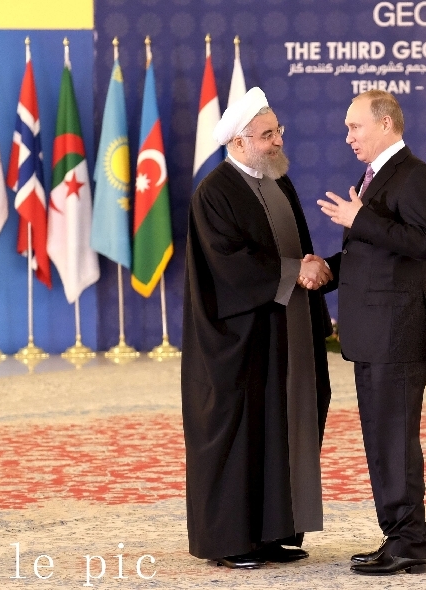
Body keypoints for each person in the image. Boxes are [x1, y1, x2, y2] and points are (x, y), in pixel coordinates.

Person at [181, 87, 334, 569]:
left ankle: (273, 534)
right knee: (241, 435)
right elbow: (230, 267)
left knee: (283, 430)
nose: (277, 141)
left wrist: (312, 270)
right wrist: (294, 272)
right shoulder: (214, 192)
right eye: (267, 135)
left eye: (277, 131)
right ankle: (230, 542)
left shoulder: (279, 183)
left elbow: (298, 248)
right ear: (239, 142)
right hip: (241, 342)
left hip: (286, 335)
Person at [315, 89, 426, 575]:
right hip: (373, 334)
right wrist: (326, 270)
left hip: (398, 334)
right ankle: (397, 536)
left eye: (355, 127)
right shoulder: (372, 177)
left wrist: (360, 219)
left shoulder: (416, 175)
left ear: (386, 124)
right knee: (381, 441)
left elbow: (424, 242)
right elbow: (370, 254)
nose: (348, 137)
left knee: (396, 442)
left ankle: (410, 542)